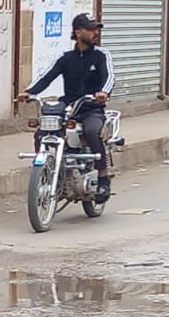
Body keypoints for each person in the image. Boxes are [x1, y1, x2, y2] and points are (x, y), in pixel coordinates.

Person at [17, 13, 116, 203]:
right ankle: (45, 171)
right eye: (91, 29)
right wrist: (29, 92)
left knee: (92, 130)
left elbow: (109, 77)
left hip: (91, 108)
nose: (96, 32)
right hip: (68, 107)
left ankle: (103, 176)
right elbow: (46, 77)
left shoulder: (101, 55)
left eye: (97, 29)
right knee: (42, 133)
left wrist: (103, 92)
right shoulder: (66, 58)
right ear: (78, 32)